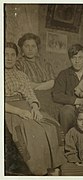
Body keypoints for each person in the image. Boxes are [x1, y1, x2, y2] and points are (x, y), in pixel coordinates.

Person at [4, 42, 66, 175]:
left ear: (16, 57)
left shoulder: (21, 75)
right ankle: (39, 170)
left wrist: (35, 107)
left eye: (12, 55)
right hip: (9, 109)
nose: (9, 58)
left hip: (25, 105)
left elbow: (30, 94)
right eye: (5, 54)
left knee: (51, 126)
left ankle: (53, 166)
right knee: (33, 131)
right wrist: (19, 112)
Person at [17, 33, 58, 119]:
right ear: (22, 48)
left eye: (33, 46)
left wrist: (35, 85)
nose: (30, 49)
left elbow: (53, 82)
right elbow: (24, 85)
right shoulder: (18, 64)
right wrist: (44, 85)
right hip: (30, 96)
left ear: (37, 48)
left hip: (49, 95)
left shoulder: (45, 63)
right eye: (27, 46)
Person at [52, 44, 83, 134]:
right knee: (66, 111)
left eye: (80, 58)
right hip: (72, 106)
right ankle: (66, 141)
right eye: (73, 58)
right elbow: (56, 95)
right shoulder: (64, 74)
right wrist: (77, 101)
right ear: (70, 59)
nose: (77, 61)